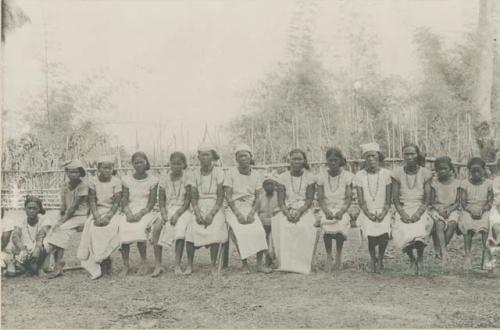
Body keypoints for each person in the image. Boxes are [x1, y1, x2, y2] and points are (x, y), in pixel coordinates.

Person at [224, 143, 271, 274]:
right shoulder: (230, 173)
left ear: (250, 157)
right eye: (240, 156)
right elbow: (228, 196)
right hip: (234, 207)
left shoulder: (256, 175)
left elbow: (258, 197)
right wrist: (238, 214)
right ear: (236, 159)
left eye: (246, 156)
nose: (243, 159)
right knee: (240, 231)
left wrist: (252, 213)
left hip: (250, 207)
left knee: (259, 230)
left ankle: (259, 264)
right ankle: (244, 264)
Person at [273, 149, 319, 274]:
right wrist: (287, 213)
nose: (297, 161)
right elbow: (281, 201)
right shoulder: (282, 177)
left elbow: (309, 200)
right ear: (289, 161)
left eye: (299, 159)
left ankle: (303, 263)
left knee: (306, 226)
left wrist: (299, 212)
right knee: (284, 224)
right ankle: (286, 263)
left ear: (304, 161)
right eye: (294, 159)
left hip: (303, 208)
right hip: (286, 208)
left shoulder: (310, 177)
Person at [77, 156, 123, 279]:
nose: (107, 170)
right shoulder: (93, 181)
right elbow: (92, 200)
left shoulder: (116, 181)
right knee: (93, 228)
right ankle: (98, 263)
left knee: (111, 227)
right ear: (98, 168)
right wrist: (97, 217)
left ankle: (105, 259)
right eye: (104, 168)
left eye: (110, 168)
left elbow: (117, 202)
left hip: (113, 212)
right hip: (98, 211)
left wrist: (108, 217)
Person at [185, 142, 228, 275]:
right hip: (199, 205)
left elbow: (221, 196)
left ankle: (213, 265)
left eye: (207, 155)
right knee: (191, 228)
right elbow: (193, 196)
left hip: (215, 206)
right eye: (202, 155)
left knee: (216, 226)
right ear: (198, 157)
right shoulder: (194, 173)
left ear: (212, 157)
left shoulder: (219, 172)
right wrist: (197, 213)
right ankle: (189, 265)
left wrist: (211, 214)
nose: (204, 158)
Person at [392, 144, 433, 275]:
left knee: (419, 231)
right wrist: (402, 213)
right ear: (402, 156)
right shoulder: (397, 173)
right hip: (403, 208)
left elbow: (427, 199)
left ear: (417, 155)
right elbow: (395, 199)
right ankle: (412, 259)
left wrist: (419, 213)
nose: (409, 157)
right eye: (406, 154)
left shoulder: (425, 173)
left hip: (419, 208)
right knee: (402, 229)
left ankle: (420, 258)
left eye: (412, 154)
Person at [45, 160, 89, 278]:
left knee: (61, 229)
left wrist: (62, 221)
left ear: (80, 173)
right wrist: (59, 217)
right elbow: (64, 205)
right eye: (71, 172)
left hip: (81, 215)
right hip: (69, 216)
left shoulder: (83, 186)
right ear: (67, 173)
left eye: (76, 172)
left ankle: (58, 265)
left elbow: (74, 206)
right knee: (54, 230)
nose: (73, 174)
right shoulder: (64, 186)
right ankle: (54, 263)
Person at [151, 152, 193, 277]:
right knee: (157, 227)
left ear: (184, 165)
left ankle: (177, 264)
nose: (176, 166)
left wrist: (177, 214)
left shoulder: (187, 178)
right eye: (173, 163)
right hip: (168, 208)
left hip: (183, 210)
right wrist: (164, 213)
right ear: (170, 164)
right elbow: (161, 199)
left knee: (179, 229)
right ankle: (158, 264)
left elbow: (187, 201)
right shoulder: (164, 178)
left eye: (179, 164)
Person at [353, 143, 392, 273]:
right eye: (368, 156)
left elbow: (388, 201)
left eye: (373, 156)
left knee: (384, 232)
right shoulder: (359, 175)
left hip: (383, 210)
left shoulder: (387, 174)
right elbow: (361, 201)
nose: (371, 159)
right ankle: (372, 257)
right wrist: (368, 214)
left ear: (378, 157)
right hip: (367, 211)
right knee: (370, 233)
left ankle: (380, 257)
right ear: (365, 158)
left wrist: (383, 213)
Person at [119, 152, 159, 276]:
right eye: (136, 162)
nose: (139, 165)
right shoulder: (126, 179)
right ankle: (126, 265)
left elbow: (151, 202)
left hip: (145, 210)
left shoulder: (153, 180)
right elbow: (124, 199)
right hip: (130, 209)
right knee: (123, 227)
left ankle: (144, 263)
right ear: (132, 164)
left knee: (140, 227)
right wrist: (128, 213)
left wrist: (140, 214)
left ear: (146, 162)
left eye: (141, 162)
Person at [317, 147, 353, 272]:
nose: (333, 163)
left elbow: (348, 198)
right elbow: (320, 198)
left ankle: (338, 256)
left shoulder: (347, 176)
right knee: (327, 228)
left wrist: (341, 211)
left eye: (335, 160)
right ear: (327, 161)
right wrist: (326, 211)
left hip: (341, 208)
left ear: (340, 161)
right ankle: (328, 256)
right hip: (326, 208)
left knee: (339, 227)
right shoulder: (321, 176)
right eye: (330, 160)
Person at [3, 196, 51, 277]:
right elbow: (15, 236)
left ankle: (38, 268)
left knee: (46, 244)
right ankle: (27, 268)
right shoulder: (20, 219)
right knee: (15, 246)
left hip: (39, 249)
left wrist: (37, 248)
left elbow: (41, 235)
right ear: (25, 209)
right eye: (29, 208)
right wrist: (22, 249)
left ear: (39, 209)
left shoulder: (45, 220)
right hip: (25, 249)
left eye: (34, 208)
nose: (31, 210)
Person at [459, 157, 493, 270]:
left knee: (487, 225)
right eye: (473, 171)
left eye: (479, 170)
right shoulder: (465, 183)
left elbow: (490, 201)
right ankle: (468, 255)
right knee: (467, 224)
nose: (476, 173)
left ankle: (486, 255)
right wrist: (471, 210)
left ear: (484, 170)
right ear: (469, 171)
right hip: (469, 210)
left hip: (484, 210)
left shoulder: (489, 184)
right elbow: (463, 202)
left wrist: (483, 209)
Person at [428, 156, 461, 265]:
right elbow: (432, 200)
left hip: (452, 209)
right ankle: (443, 251)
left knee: (452, 224)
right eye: (439, 169)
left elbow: (458, 201)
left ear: (450, 169)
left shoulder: (457, 183)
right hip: (438, 209)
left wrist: (450, 209)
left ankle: (442, 249)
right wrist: (439, 209)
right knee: (439, 224)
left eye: (445, 169)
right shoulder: (434, 183)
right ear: (436, 170)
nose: (442, 171)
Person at [257, 173, 280, 267]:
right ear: (263, 187)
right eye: (267, 185)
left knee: (273, 238)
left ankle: (273, 258)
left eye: (271, 185)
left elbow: (281, 207)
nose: (269, 187)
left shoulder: (278, 195)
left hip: (275, 221)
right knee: (264, 239)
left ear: (274, 186)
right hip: (263, 221)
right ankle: (267, 257)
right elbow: (257, 209)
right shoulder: (260, 196)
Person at [486, 152, 500, 270]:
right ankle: (493, 258)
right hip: (498, 209)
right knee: (496, 228)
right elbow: (497, 199)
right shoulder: (497, 181)